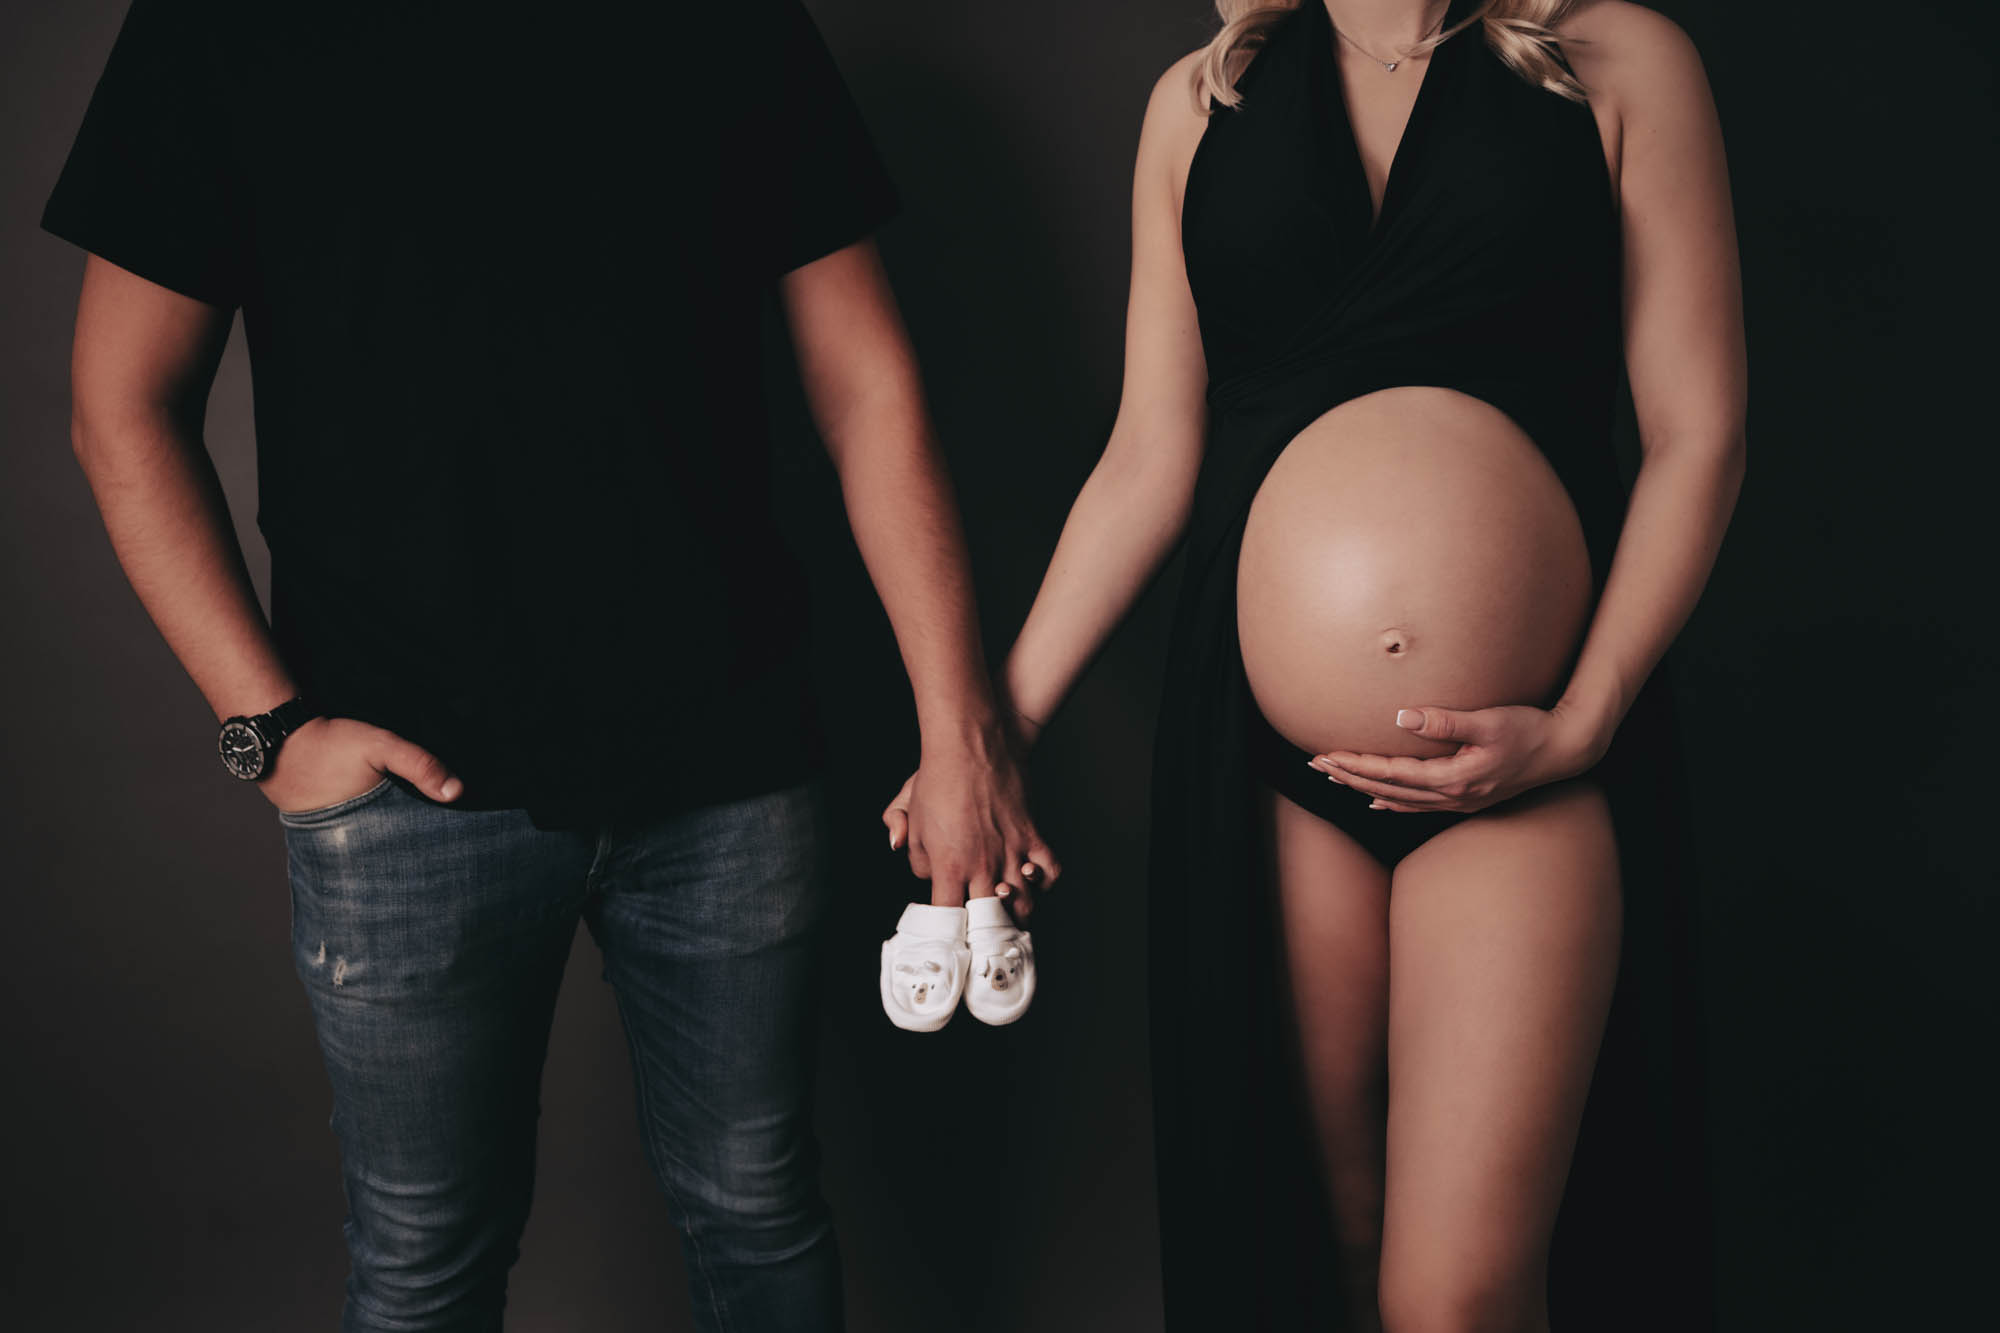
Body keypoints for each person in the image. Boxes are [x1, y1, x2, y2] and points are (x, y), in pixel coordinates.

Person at [43, 1, 1055, 1328]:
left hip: (731, 763)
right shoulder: (225, 23)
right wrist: (269, 732)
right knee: (422, 1265)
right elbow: (116, 402)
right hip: (406, 795)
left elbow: (866, 378)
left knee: (760, 1210)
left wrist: (958, 727)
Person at [886, 0, 1742, 1327]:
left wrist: (1588, 716)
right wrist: (985, 734)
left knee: (1453, 1296)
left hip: (1529, 756)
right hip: (1268, 768)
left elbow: (1699, 432)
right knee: (1317, 1264)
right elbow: (1145, 458)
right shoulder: (1205, 100)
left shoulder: (1620, 59)